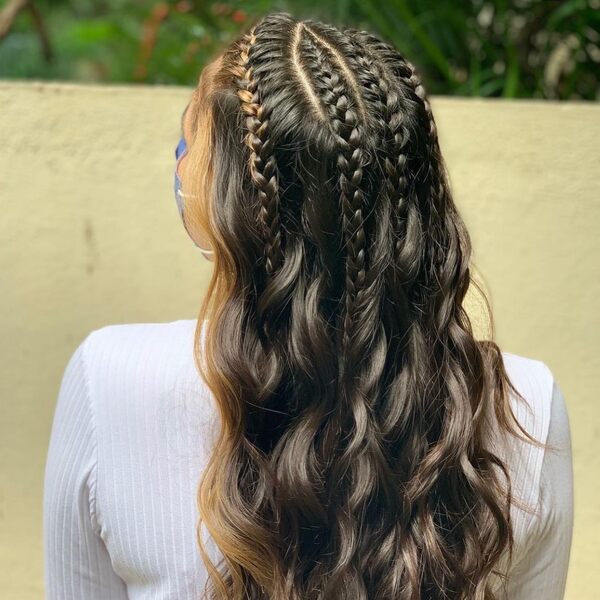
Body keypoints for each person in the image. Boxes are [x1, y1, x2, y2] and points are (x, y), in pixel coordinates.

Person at [43, 11, 574, 600]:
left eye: (190, 137)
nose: (180, 155)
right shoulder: (530, 408)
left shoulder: (108, 377)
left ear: (224, 202)